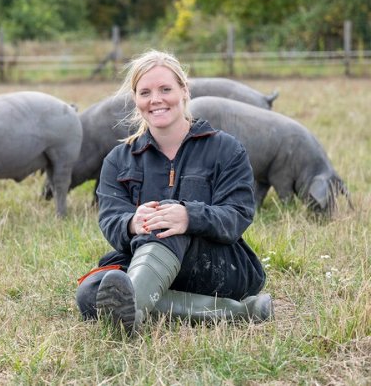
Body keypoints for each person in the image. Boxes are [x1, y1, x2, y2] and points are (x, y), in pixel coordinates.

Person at [75, 49, 272, 333]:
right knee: (91, 290)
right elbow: (110, 220)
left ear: (184, 91)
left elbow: (237, 215)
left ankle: (129, 309)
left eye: (165, 89)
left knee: (167, 223)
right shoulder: (118, 160)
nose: (155, 100)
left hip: (217, 266)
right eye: (145, 92)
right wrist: (131, 222)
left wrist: (188, 217)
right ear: (136, 99)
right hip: (142, 261)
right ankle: (239, 312)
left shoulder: (226, 149)